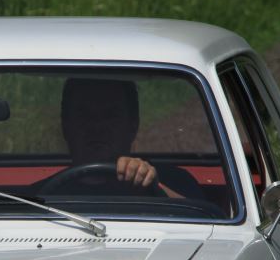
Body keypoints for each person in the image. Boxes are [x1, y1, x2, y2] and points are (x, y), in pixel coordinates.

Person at [53, 77, 201, 198]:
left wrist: (153, 188)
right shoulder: (44, 196)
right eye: (84, 115)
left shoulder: (176, 181)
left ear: (133, 125)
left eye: (111, 116)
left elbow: (203, 219)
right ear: (66, 126)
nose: (97, 126)